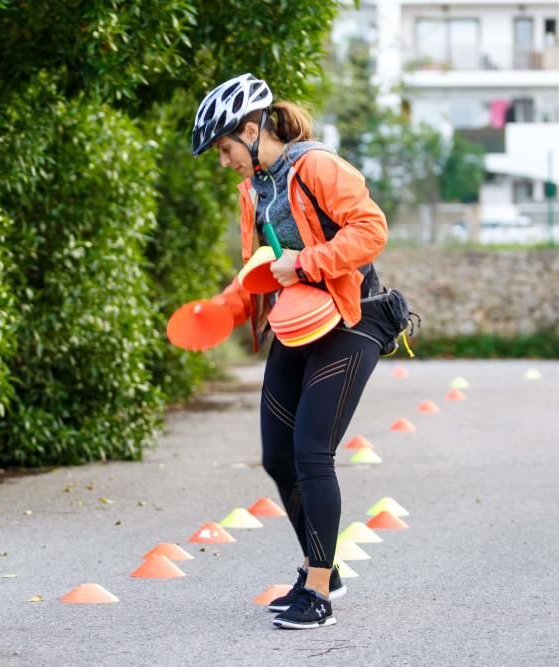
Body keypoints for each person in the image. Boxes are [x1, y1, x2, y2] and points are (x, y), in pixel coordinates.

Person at [192, 74, 390, 630]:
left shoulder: (319, 167)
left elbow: (371, 230)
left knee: (310, 452)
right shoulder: (253, 189)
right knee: (277, 457)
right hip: (296, 325)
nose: (224, 160)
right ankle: (323, 564)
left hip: (351, 320)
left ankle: (319, 589)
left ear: (252, 131)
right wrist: (224, 306)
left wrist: (305, 264)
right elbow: (263, 267)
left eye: (226, 148)